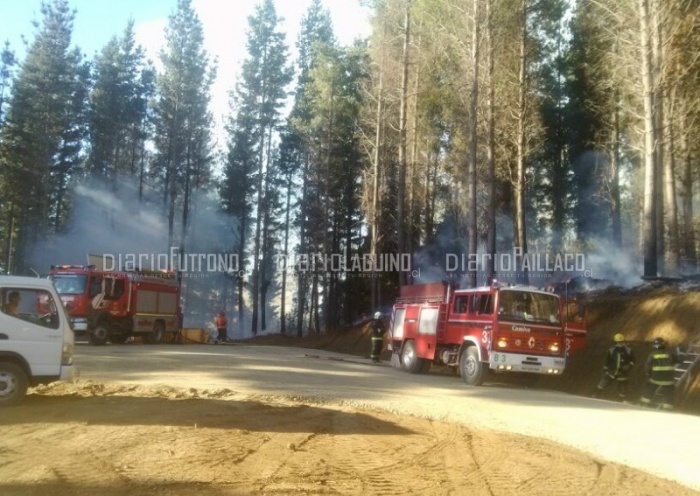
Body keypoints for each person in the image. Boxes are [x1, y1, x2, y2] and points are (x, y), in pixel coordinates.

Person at [591, 333, 635, 401]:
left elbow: (633, 361)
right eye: (619, 342)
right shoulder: (611, 350)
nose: (621, 343)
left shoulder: (629, 351)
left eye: (622, 342)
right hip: (612, 370)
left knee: (622, 386)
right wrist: (605, 369)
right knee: (604, 382)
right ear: (615, 342)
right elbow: (607, 361)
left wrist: (629, 366)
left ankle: (621, 399)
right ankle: (596, 394)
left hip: (623, 372)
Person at [639, 337, 679, 410]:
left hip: (656, 378)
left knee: (649, 388)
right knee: (669, 392)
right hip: (668, 378)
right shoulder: (670, 354)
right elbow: (677, 360)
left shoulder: (653, 354)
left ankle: (644, 403)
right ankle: (667, 407)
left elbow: (648, 366)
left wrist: (648, 375)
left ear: (655, 346)